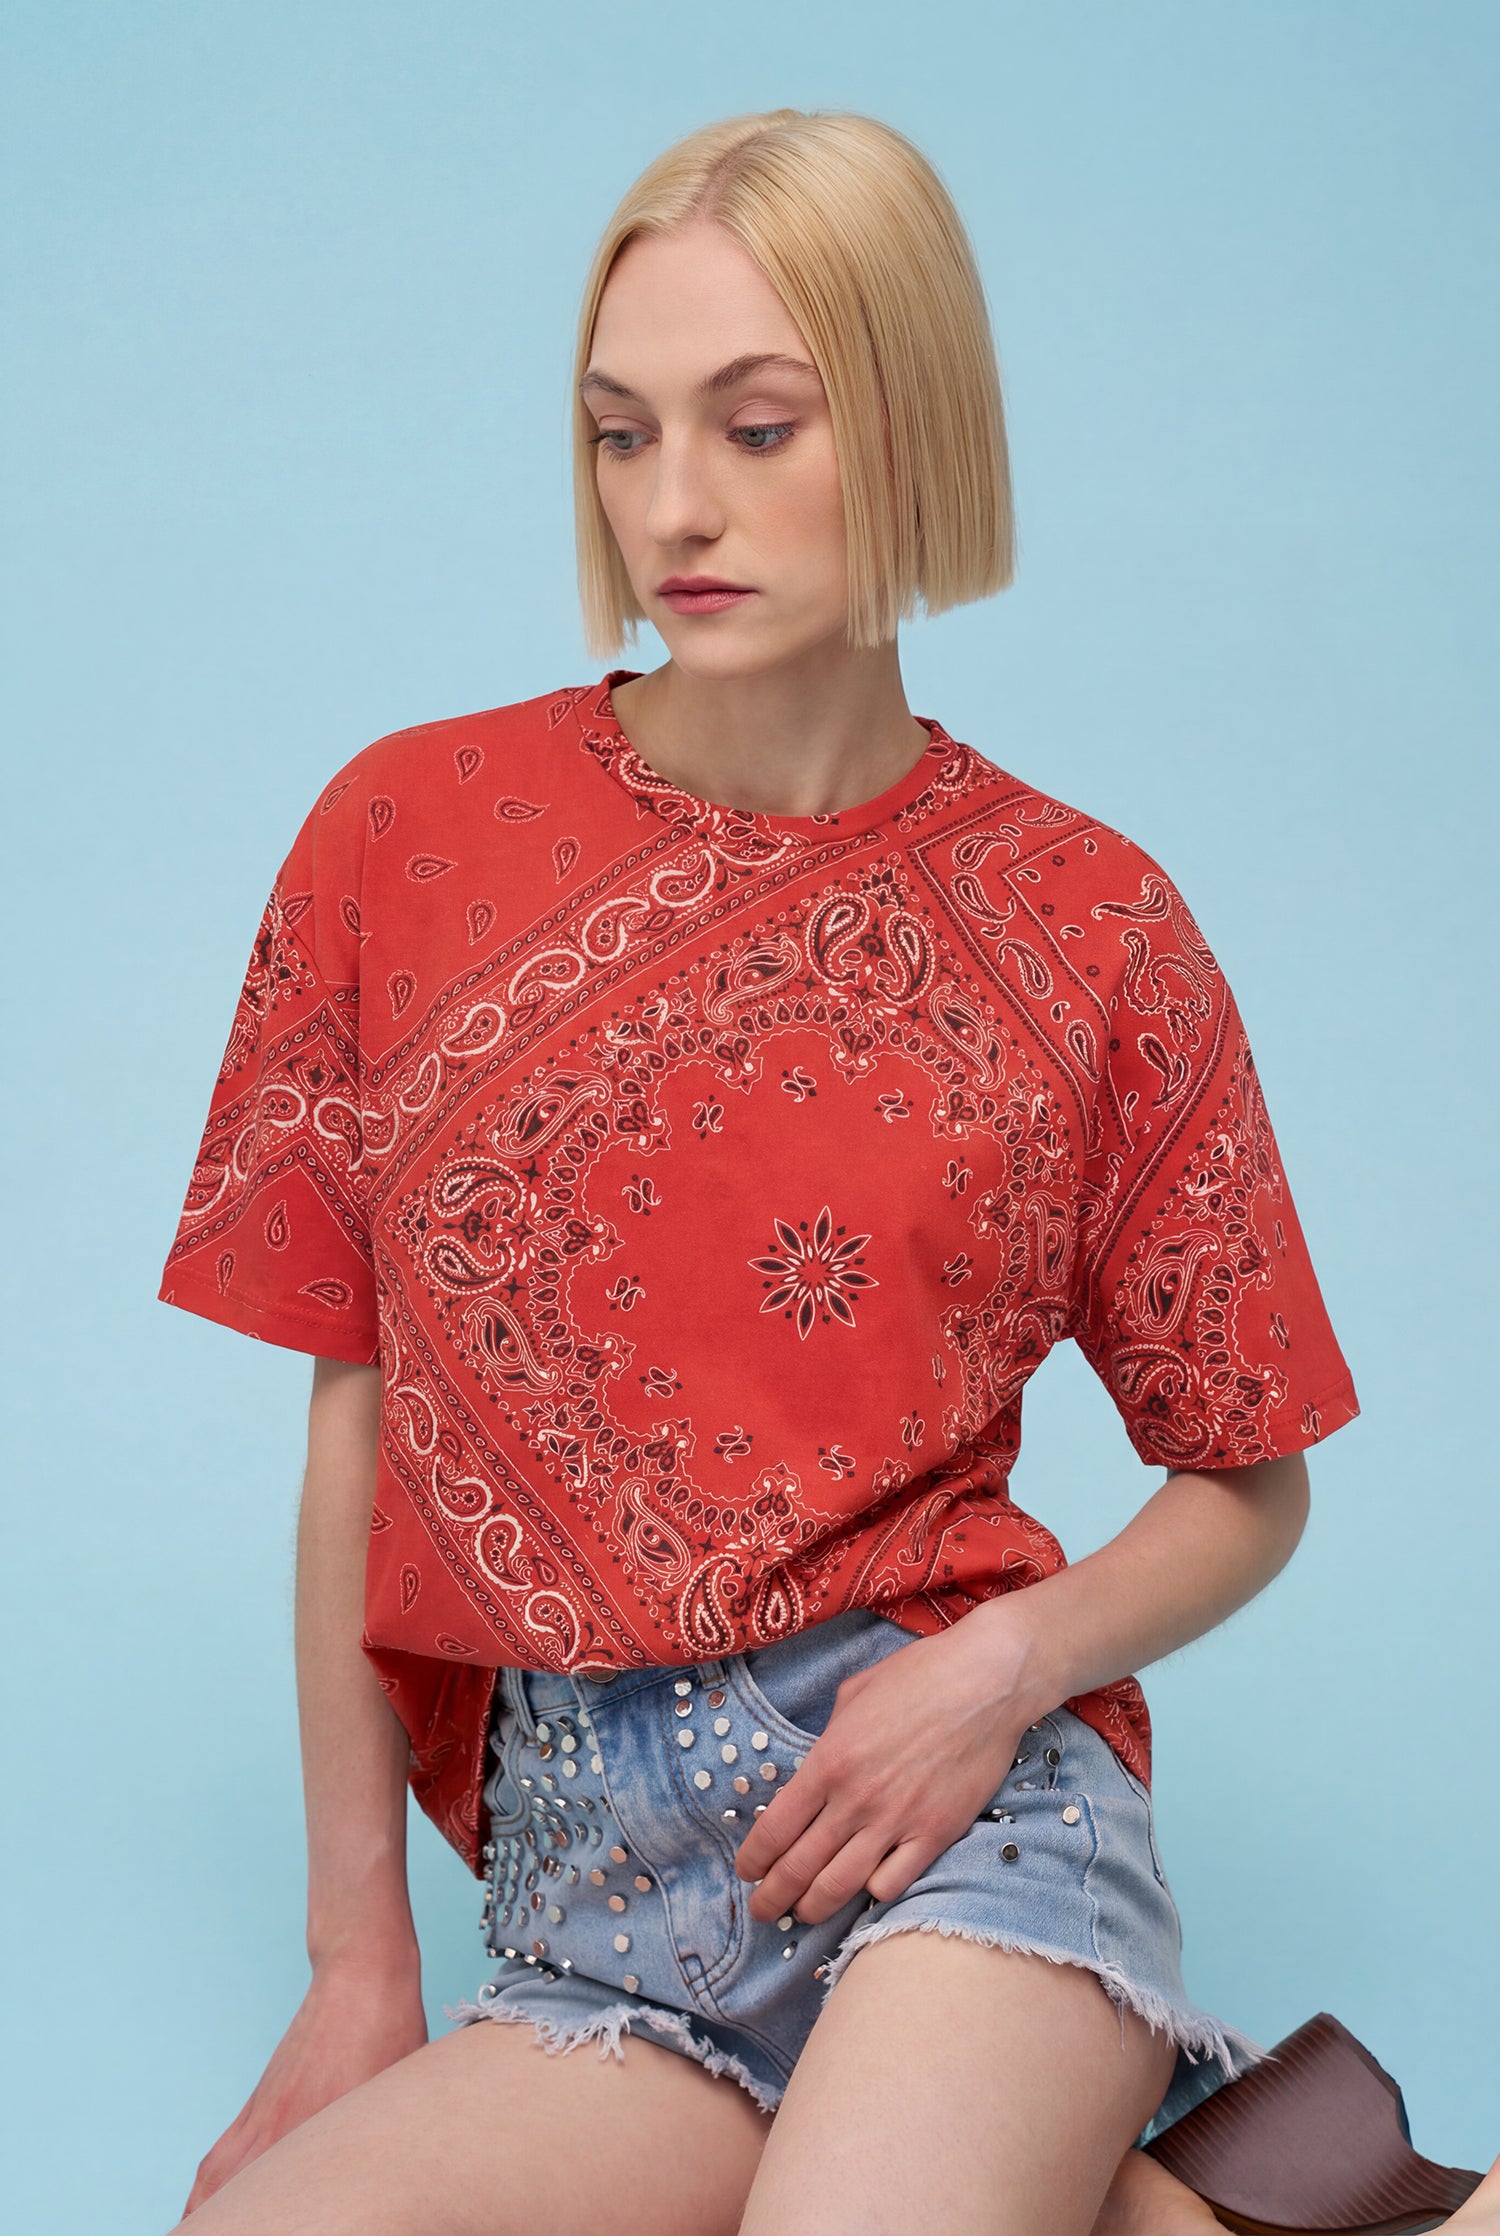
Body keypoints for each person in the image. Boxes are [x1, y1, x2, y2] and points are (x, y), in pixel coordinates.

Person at [153, 104, 1456, 2236]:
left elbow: (1253, 1480)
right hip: (600, 1927)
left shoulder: (1095, 923)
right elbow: (356, 1418)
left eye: (760, 427)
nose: (676, 504)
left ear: (912, 420)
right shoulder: (400, 836)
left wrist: (1000, 1671)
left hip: (969, 1835)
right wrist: (355, 1957)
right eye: (622, 432)